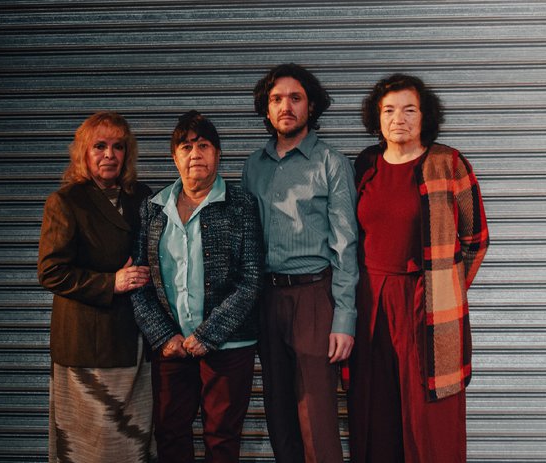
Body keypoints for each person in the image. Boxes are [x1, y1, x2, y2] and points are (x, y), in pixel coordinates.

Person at [348, 73, 490, 462]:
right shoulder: (366, 165)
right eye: (389, 110)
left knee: (430, 411)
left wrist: (446, 287)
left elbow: (476, 238)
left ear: (425, 116)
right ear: (377, 118)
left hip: (426, 304)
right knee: (376, 407)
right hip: (372, 302)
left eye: (410, 110)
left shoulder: (448, 163)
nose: (399, 119)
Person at [242, 63, 358, 463]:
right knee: (279, 418)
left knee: (317, 419)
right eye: (276, 99)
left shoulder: (331, 163)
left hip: (314, 298)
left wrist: (344, 318)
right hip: (267, 299)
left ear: (311, 106)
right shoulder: (253, 166)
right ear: (266, 108)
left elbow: (346, 244)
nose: (285, 106)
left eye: (295, 98)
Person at [131, 110, 263, 463]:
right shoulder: (153, 209)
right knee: (170, 432)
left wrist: (209, 335)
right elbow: (140, 281)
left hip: (229, 345)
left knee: (222, 437)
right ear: (174, 157)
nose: (195, 154)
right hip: (172, 347)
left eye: (203, 146)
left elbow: (250, 280)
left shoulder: (241, 205)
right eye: (186, 147)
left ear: (218, 154)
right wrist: (163, 336)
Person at [37, 111, 154, 462]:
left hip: (133, 343)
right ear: (83, 153)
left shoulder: (142, 197)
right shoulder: (66, 201)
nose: (109, 155)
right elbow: (51, 271)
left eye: (118, 146)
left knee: (132, 445)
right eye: (99, 146)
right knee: (88, 449)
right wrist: (110, 283)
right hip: (85, 348)